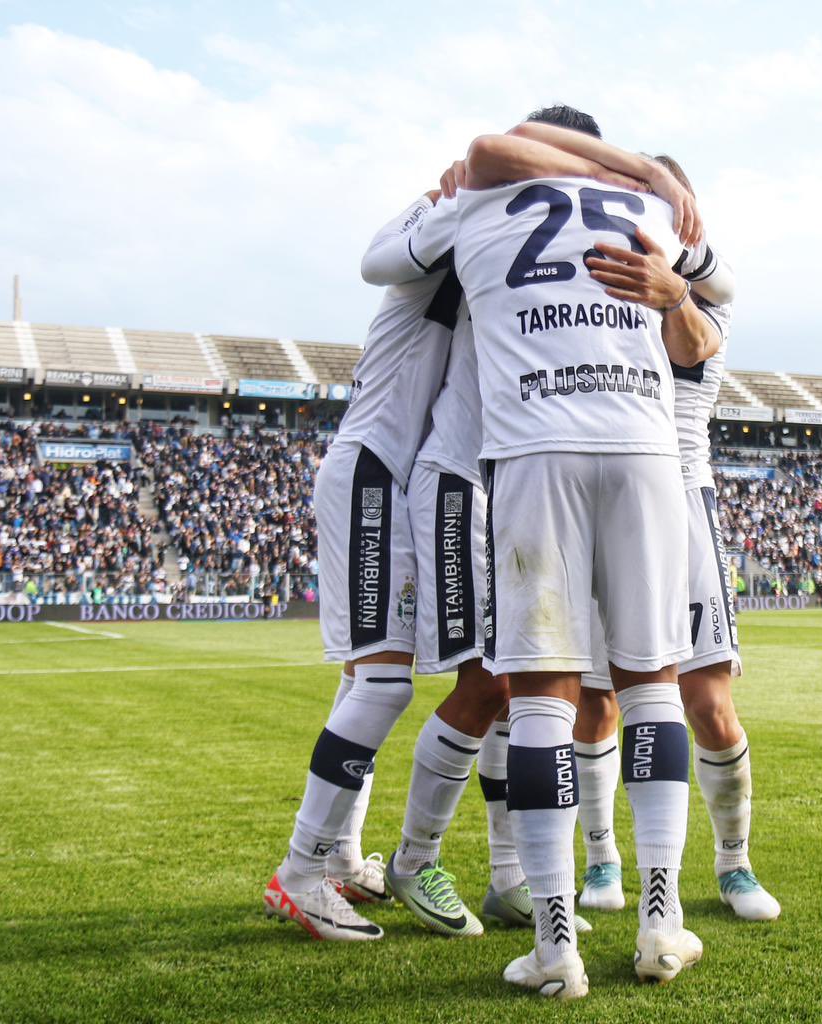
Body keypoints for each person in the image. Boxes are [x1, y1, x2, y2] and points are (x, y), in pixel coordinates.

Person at [363, 104, 721, 998]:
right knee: (652, 685)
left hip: (536, 452)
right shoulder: (646, 212)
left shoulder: (483, 191)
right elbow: (713, 312)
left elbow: (484, 150)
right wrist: (655, 178)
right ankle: (661, 922)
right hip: (643, 452)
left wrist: (623, 160)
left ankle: (558, 943)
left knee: (541, 698)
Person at [570, 156, 779, 924]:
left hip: (684, 500)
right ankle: (601, 859)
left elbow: (695, 349)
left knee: (707, 702)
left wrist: (674, 292)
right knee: (597, 700)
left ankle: (734, 864)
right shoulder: (595, 276)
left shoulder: (700, 284)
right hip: (606, 498)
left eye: (655, 198)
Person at [261, 188, 461, 942]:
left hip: (393, 475)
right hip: (374, 469)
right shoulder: (451, 228)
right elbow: (379, 256)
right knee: (383, 684)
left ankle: (339, 856)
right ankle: (301, 871)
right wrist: (460, 183)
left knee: (362, 678)